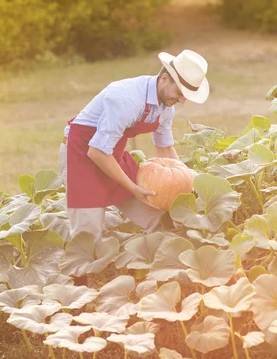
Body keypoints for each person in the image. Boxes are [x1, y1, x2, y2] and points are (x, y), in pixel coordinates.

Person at [58, 49, 209, 246]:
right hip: (81, 156)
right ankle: (81, 276)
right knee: (88, 235)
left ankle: (164, 271)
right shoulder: (126, 99)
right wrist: (132, 188)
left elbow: (164, 149)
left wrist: (185, 182)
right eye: (180, 93)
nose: (181, 101)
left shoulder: (166, 107)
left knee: (158, 216)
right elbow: (96, 152)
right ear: (165, 78)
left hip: (113, 155)